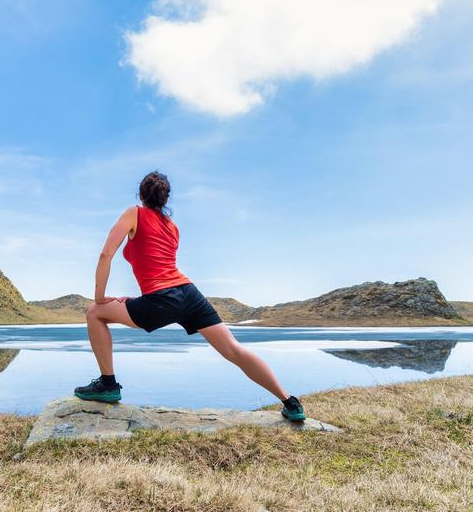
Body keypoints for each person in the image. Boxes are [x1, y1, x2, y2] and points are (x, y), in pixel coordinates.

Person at [74, 171, 305, 421]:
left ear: (140, 195)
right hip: (189, 294)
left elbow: (105, 254)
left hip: (162, 298)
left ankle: (108, 385)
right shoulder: (173, 228)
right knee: (233, 349)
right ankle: (290, 402)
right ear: (165, 199)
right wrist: (132, 300)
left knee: (95, 313)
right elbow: (161, 269)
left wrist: (100, 297)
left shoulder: (134, 214)